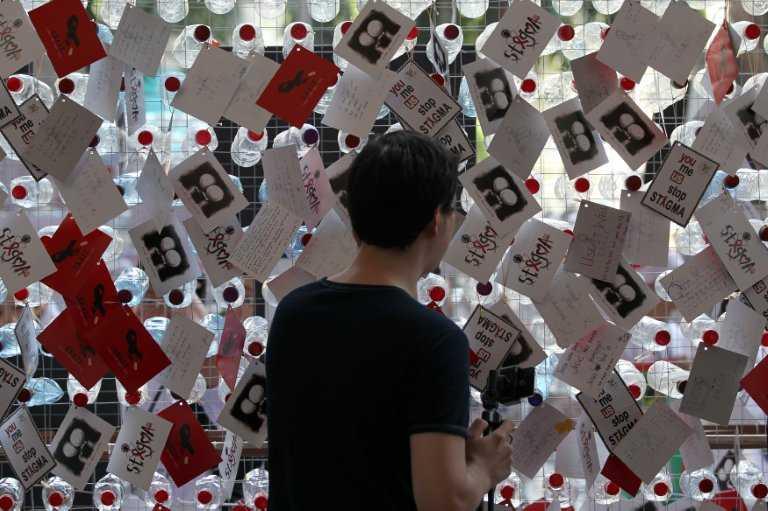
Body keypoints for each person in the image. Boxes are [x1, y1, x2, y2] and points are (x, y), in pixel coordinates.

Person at [265, 131, 515, 510]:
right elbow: (442, 502)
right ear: (437, 219)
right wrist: (483, 467)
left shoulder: (293, 312)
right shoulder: (434, 340)